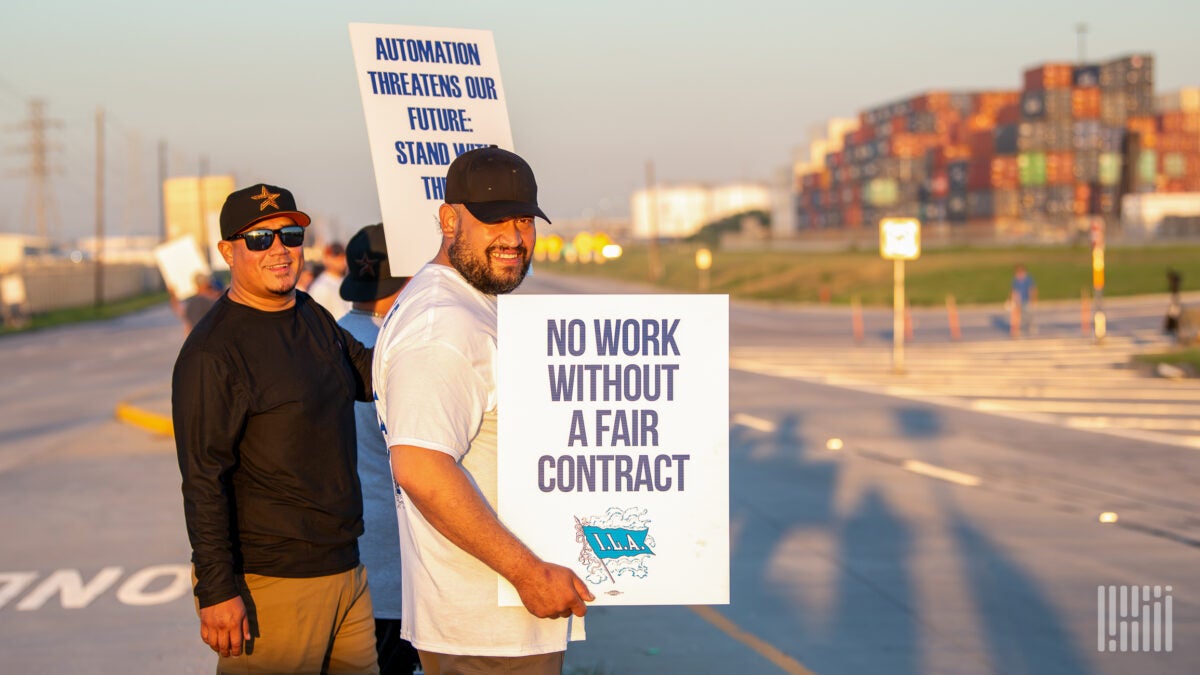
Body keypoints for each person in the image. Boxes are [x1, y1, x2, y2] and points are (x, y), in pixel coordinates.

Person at [373, 146, 593, 674]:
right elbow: (421, 469)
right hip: (484, 630)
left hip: (499, 622)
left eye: (524, 220)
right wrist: (528, 573)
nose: (515, 238)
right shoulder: (443, 326)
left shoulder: (466, 304)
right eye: (494, 220)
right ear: (449, 220)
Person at [172, 182, 380, 674]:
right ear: (228, 251)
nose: (280, 250)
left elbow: (374, 377)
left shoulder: (311, 315)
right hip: (272, 584)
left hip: (347, 570)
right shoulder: (212, 353)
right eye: (260, 239)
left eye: (289, 235)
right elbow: (203, 480)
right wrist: (217, 589)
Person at [336, 223, 420, 674]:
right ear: (410, 279)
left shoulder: (325, 339)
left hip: (347, 557)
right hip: (399, 560)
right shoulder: (400, 349)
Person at [309, 241, 352, 319]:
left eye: (342, 256)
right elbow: (318, 318)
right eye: (335, 256)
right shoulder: (321, 287)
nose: (340, 260)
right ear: (326, 259)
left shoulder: (347, 281)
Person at [1011, 263, 1037, 336]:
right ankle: (1018, 329)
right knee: (1020, 315)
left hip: (1027, 299)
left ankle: (1031, 324)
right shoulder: (1015, 280)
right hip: (1019, 300)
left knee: (1028, 313)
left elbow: (1032, 289)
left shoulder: (1028, 279)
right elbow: (1014, 290)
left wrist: (1033, 299)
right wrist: (1013, 300)